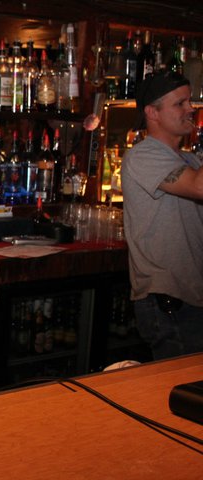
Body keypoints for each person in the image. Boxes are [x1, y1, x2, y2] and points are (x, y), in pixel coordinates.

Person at [121, 70, 203, 360]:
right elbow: (199, 186)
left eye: (189, 101)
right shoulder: (143, 155)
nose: (191, 108)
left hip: (192, 297)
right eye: (180, 103)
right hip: (171, 302)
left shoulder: (191, 159)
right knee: (179, 394)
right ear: (152, 112)